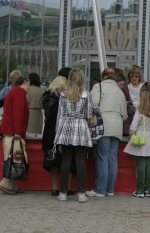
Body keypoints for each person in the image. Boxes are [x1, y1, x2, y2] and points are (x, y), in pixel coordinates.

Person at [86, 71, 127, 197]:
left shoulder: (98, 86)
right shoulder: (120, 91)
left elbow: (92, 105)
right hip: (117, 125)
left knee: (102, 157)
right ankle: (110, 189)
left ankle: (100, 189)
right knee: (112, 158)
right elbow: (124, 114)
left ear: (103, 77)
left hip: (102, 124)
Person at [54, 68, 93, 203]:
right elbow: (88, 115)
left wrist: (57, 134)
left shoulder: (63, 94)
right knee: (80, 162)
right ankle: (81, 194)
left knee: (65, 162)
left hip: (66, 127)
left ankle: (63, 193)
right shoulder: (86, 95)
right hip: (81, 127)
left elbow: (59, 116)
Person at [41, 76, 76, 196]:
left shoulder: (46, 98)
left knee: (53, 162)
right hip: (64, 131)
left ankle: (54, 188)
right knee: (68, 160)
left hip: (50, 132)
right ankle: (66, 187)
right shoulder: (64, 99)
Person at [123, 88, 150, 198]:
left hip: (140, 137)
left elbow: (133, 127)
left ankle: (140, 190)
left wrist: (131, 135)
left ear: (142, 98)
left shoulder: (139, 111)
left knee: (141, 165)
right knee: (148, 165)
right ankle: (148, 190)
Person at [0, 76, 30, 195]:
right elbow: (18, 112)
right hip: (13, 131)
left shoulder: (13, 91)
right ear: (24, 82)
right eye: (29, 84)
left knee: (12, 156)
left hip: (9, 130)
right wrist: (18, 131)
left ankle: (12, 185)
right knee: (16, 157)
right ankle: (5, 183)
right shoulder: (19, 92)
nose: (29, 87)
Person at [122, 64, 150, 136]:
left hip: (143, 120)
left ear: (140, 76)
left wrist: (143, 109)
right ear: (128, 76)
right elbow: (121, 102)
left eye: (136, 76)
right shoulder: (124, 87)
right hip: (128, 120)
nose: (134, 78)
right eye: (132, 76)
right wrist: (131, 109)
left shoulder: (146, 86)